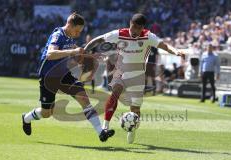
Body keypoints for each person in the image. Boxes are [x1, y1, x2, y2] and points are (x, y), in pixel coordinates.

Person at [84, 13, 185, 143]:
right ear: (130, 24)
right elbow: (99, 39)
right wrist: (86, 49)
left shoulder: (149, 36)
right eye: (132, 27)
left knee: (135, 108)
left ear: (142, 27)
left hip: (137, 75)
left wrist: (176, 51)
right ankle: (105, 125)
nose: (134, 31)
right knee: (115, 93)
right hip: (121, 71)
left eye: (137, 28)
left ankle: (132, 130)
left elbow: (164, 46)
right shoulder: (119, 34)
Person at [21, 12, 114, 142]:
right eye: (77, 31)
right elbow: (50, 54)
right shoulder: (58, 35)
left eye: (80, 32)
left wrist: (86, 57)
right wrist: (73, 52)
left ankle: (101, 132)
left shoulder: (70, 37)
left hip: (64, 75)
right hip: (49, 77)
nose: (78, 34)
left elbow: (74, 50)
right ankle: (26, 118)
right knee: (47, 113)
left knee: (84, 99)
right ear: (69, 25)